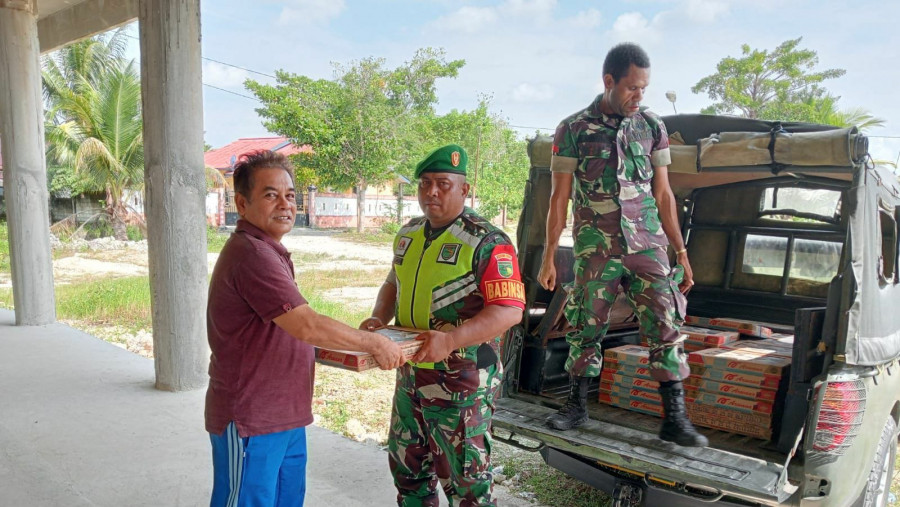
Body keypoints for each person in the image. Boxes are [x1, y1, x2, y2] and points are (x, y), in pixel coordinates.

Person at [205, 150, 406, 507]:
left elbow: (288, 329)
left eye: (290, 195)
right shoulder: (251, 253)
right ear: (241, 202)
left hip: (284, 414)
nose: (285, 205)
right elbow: (307, 324)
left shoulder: (270, 250)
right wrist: (372, 342)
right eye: (270, 195)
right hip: (252, 418)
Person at [538, 43, 707, 447]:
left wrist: (680, 252)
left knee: (667, 323)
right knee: (586, 325)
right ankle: (576, 407)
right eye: (632, 88)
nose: (639, 96)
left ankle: (675, 418)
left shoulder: (652, 126)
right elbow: (558, 198)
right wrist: (549, 255)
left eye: (644, 89)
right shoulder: (573, 129)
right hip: (597, 247)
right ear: (609, 81)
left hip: (648, 245)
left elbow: (664, 195)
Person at [360, 144, 525, 506]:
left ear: (464, 190)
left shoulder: (487, 241)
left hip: (460, 385)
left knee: (467, 487)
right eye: (425, 183)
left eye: (443, 184)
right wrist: (378, 317)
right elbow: (394, 282)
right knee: (409, 473)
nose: (431, 192)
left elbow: (509, 310)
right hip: (410, 377)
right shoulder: (409, 233)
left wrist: (451, 340)